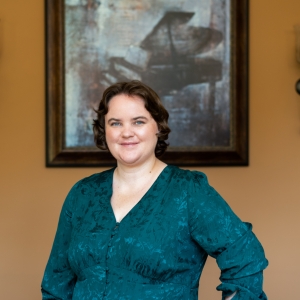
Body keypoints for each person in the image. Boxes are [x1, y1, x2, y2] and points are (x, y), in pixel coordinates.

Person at [41, 80, 268, 300]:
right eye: (115, 123)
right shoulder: (83, 194)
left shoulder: (188, 191)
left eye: (138, 122)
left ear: (158, 127)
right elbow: (57, 282)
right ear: (104, 131)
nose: (126, 132)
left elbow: (244, 256)